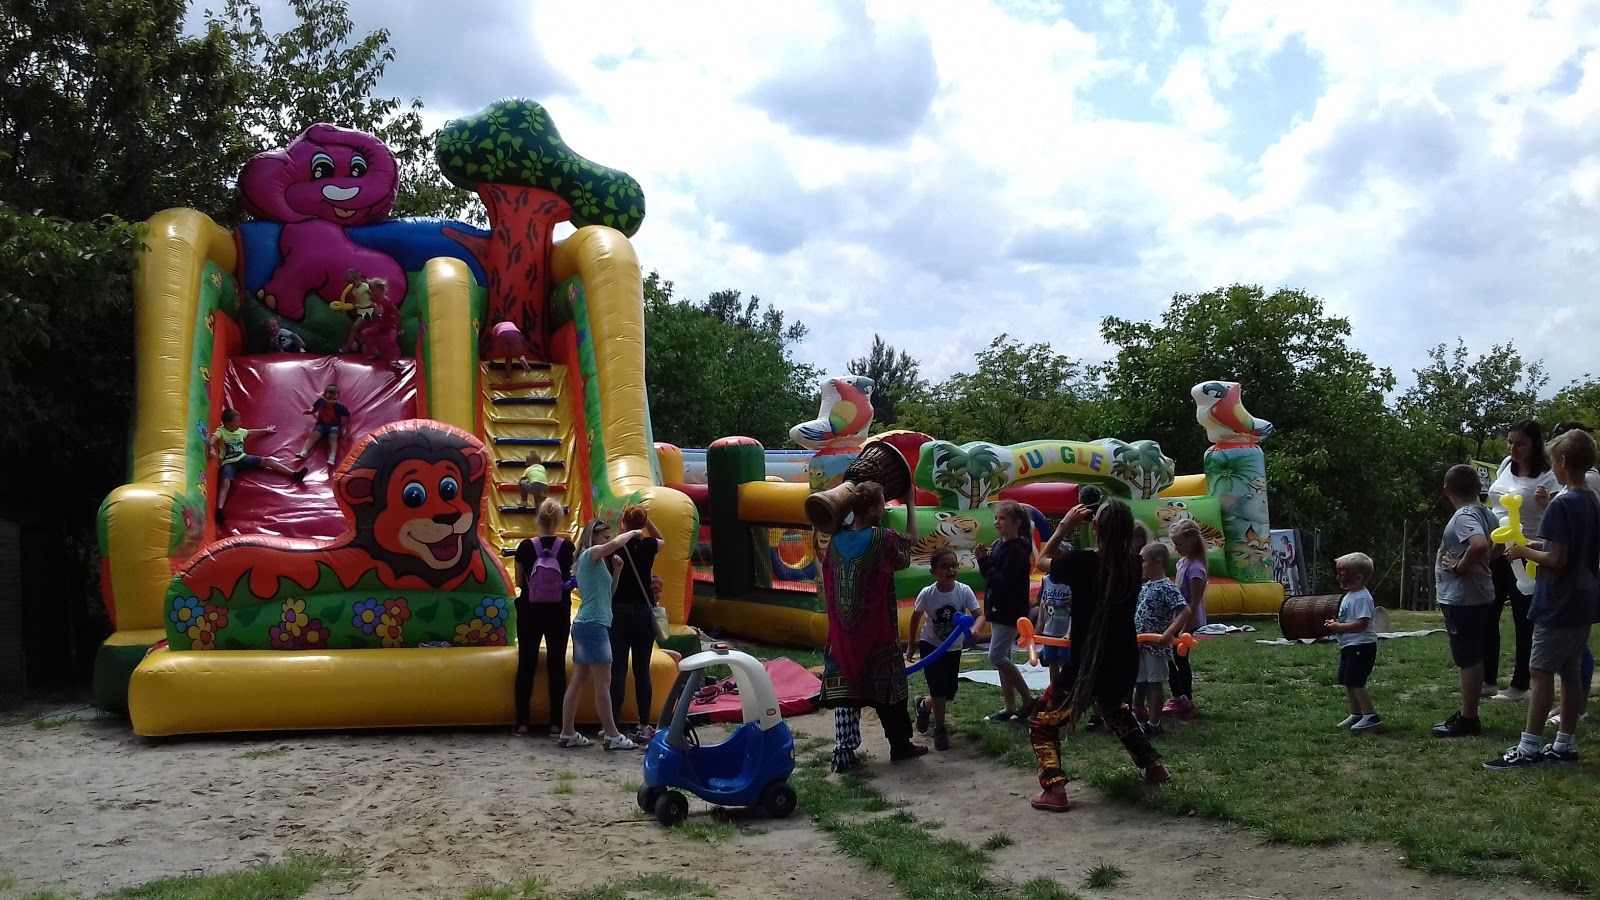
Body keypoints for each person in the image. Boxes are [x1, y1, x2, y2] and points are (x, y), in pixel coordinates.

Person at [1029, 500, 1167, 812]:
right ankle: (1154, 765)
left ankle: (1055, 789)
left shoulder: (1083, 562)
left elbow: (1041, 561)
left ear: (1095, 528)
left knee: (1042, 723)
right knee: (1113, 709)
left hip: (1088, 663)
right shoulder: (1134, 564)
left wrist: (1064, 525)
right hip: (1122, 660)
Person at [1486, 429, 1600, 769]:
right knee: (1568, 672)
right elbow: (1565, 548)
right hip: (1584, 598)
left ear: (1562, 462)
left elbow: (1558, 559)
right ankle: (1563, 744)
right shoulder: (1591, 501)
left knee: (1539, 671)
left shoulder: (1560, 504)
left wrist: (1522, 550)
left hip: (1559, 600)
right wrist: (1534, 543)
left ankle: (1528, 747)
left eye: (1554, 460)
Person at [820, 480, 926, 772]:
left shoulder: (836, 539)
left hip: (842, 632)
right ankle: (900, 746)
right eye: (881, 502)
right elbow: (912, 544)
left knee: (847, 694)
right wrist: (911, 504)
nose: (884, 506)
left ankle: (843, 752)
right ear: (873, 509)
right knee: (891, 691)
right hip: (876, 631)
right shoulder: (883, 539)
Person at [1486, 420, 1560, 701]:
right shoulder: (1506, 464)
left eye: (1520, 443)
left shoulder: (1548, 475)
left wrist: (1545, 503)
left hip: (1528, 552)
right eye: (1510, 442)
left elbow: (1558, 514)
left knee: (1523, 617)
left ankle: (1519, 684)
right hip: (1500, 547)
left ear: (1534, 445)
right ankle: (1487, 679)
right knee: (1488, 612)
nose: (1513, 448)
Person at [557, 518, 642, 751]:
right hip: (593, 625)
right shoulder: (591, 553)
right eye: (604, 535)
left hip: (588, 623)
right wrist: (632, 532)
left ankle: (568, 732)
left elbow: (608, 594)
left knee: (579, 679)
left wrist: (616, 573)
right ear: (594, 537)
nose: (608, 538)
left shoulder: (596, 563)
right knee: (603, 682)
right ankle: (612, 735)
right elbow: (615, 544)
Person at [1432, 464, 1497, 737]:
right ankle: (1469, 714)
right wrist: (1481, 564)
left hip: (1463, 598)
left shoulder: (1464, 516)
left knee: (1467, 658)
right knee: (1473, 654)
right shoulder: (1488, 513)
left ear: (1447, 491)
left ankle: (1469, 718)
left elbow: (1480, 544)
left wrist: (1460, 567)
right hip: (1480, 594)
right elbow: (1498, 545)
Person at [906, 548, 985, 751]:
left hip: (953, 647)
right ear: (934, 571)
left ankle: (923, 705)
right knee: (938, 688)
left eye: (953, 565)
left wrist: (975, 630)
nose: (950, 569)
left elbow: (980, 615)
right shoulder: (928, 594)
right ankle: (940, 729)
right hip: (930, 646)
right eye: (944, 566)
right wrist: (911, 645)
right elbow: (916, 617)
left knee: (949, 692)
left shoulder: (963, 591)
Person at [513, 499, 574, 737]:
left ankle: (522, 722)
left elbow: (519, 582)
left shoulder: (526, 547)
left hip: (530, 610)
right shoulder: (567, 547)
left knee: (526, 663)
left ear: (538, 519)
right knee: (556, 664)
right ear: (559, 520)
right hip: (558, 611)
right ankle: (556, 722)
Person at [976, 499, 1037, 722]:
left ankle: (1029, 699)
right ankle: (1009, 706)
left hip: (1009, 610)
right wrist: (986, 560)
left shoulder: (1017, 550)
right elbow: (993, 578)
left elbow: (1003, 581)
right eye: (996, 518)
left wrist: (985, 562)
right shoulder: (1001, 545)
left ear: (1017, 522)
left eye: (1002, 518)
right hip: (999, 607)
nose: (997, 523)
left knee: (997, 656)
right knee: (1004, 657)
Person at [610, 503, 666, 742]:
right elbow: (661, 539)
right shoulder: (648, 546)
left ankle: (613, 722)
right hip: (643, 613)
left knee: (618, 670)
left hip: (619, 612)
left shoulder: (616, 547)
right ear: (642, 524)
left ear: (623, 522)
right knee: (642, 670)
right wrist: (648, 522)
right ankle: (644, 723)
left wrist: (627, 527)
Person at [209, 408, 307, 527]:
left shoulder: (239, 431)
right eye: (236, 422)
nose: (239, 424)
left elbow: (250, 432)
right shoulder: (222, 431)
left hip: (242, 459)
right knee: (225, 483)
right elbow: (212, 439)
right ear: (228, 423)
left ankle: (294, 475)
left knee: (268, 461)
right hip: (228, 463)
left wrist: (266, 430)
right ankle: (219, 510)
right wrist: (212, 448)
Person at [1133, 542, 1188, 735]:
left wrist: (1169, 633)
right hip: (1140, 644)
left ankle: (1154, 724)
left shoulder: (1167, 586)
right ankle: (1141, 716)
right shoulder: (1145, 586)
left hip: (1156, 646)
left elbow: (1184, 610)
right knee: (1142, 682)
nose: (1140, 565)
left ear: (1157, 562)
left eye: (1143, 561)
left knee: (1155, 683)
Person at [1325, 552, 1381, 732]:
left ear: (1358, 578)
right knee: (1348, 680)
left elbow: (1362, 624)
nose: (1338, 577)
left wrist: (1339, 628)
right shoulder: (1350, 595)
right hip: (1349, 645)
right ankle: (1356, 713)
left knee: (1356, 681)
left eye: (1343, 574)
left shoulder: (1362, 597)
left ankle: (1370, 715)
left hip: (1361, 646)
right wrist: (1336, 624)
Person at [1165, 519, 1208, 719]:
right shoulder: (1183, 563)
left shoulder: (1196, 569)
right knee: (1172, 658)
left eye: (1180, 544)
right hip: (1177, 618)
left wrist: (1184, 628)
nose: (1176, 548)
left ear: (1192, 542)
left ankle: (1184, 698)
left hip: (1186, 621)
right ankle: (1180, 697)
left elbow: (1195, 601)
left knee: (1179, 660)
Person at [1034, 561, 1073, 689]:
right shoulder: (1046, 580)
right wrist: (1039, 625)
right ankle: (1053, 688)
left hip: (1065, 631)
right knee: (1051, 660)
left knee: (1066, 659)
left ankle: (1067, 687)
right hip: (1049, 630)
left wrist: (1069, 632)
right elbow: (1042, 604)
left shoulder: (1070, 582)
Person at [296, 384, 351, 464]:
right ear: (324, 396)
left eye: (334, 399)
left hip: (334, 426)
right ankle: (304, 451)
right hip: (321, 424)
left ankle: (332, 457)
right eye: (328, 398)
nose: (330, 401)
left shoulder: (340, 406)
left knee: (333, 437)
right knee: (314, 435)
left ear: (338, 398)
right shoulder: (320, 401)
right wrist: (310, 411)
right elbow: (314, 408)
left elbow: (349, 416)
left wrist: (348, 432)